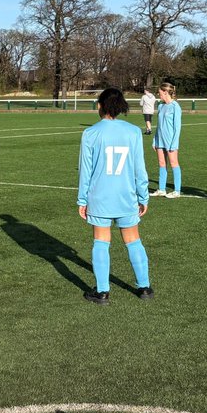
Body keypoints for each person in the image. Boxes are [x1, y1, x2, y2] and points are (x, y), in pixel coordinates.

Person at [77, 88, 152, 304]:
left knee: (101, 241)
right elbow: (140, 168)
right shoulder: (133, 131)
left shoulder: (91, 133)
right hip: (126, 197)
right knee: (133, 240)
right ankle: (144, 288)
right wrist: (143, 196)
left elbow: (85, 171)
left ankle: (102, 292)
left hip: (99, 198)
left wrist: (82, 199)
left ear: (100, 106)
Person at [150, 83, 182, 198]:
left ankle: (177, 191)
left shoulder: (175, 106)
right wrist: (155, 140)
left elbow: (177, 127)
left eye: (159, 92)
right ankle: (161, 189)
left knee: (174, 163)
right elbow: (158, 126)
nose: (159, 95)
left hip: (170, 141)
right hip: (160, 140)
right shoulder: (160, 106)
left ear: (165, 92)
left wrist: (174, 143)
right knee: (161, 164)